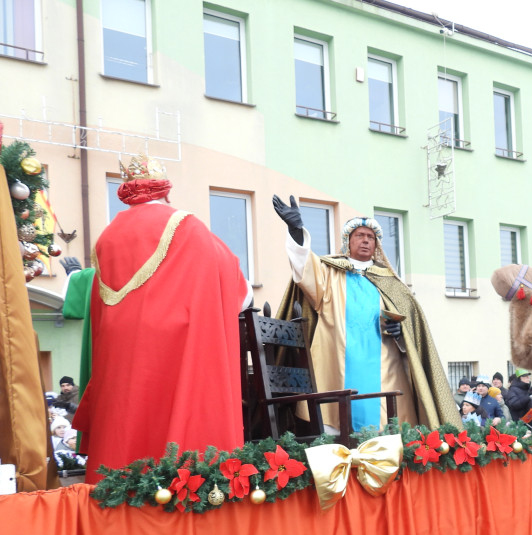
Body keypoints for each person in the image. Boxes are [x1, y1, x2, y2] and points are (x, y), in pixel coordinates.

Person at [73, 155, 250, 484]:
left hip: (120, 347)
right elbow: (227, 275)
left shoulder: (107, 236)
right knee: (171, 410)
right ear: (165, 190)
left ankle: (117, 484)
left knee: (128, 411)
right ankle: (182, 488)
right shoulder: (183, 224)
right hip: (173, 341)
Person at [274, 195, 459, 432]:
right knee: (336, 429)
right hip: (337, 366)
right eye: (359, 236)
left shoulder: (390, 281)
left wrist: (401, 332)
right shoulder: (329, 273)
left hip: (385, 367)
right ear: (348, 242)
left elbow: (412, 326)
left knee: (386, 432)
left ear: (377, 245)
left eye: (370, 237)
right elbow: (303, 268)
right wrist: (297, 230)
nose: (365, 241)